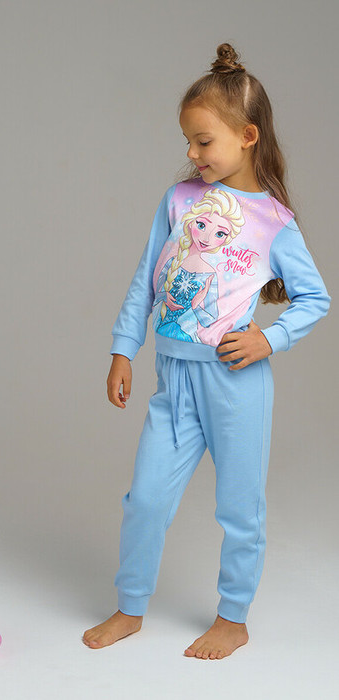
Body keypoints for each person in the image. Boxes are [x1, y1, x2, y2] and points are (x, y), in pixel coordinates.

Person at [82, 43, 331, 660]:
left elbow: (315, 298)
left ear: (247, 136)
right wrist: (123, 349)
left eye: (203, 142)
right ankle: (130, 606)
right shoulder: (178, 201)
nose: (192, 155)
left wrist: (268, 337)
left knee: (239, 508)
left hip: (235, 384)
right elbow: (146, 279)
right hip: (174, 381)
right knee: (145, 500)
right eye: (188, 142)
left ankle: (233, 618)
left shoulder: (274, 221)